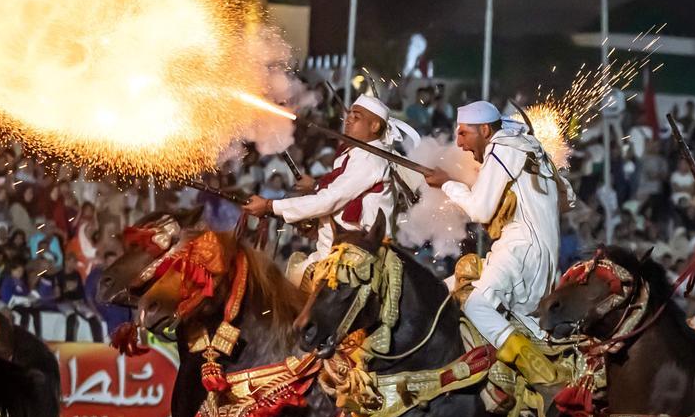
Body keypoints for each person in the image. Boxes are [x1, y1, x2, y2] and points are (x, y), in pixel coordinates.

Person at [425, 100, 568, 387]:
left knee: (477, 306)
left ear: (486, 130)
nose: (459, 143)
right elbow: (568, 199)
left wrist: (449, 184)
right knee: (449, 286)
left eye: (464, 133)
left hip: (521, 249)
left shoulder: (502, 148)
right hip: (538, 254)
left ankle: (539, 371)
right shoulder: (530, 147)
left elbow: (480, 210)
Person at [242, 94, 419, 277]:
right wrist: (317, 186)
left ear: (374, 126)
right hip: (333, 253)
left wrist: (270, 205)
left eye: (356, 117)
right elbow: (342, 192)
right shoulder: (356, 153)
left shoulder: (369, 159)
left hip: (355, 257)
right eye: (349, 115)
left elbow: (330, 199)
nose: (348, 120)